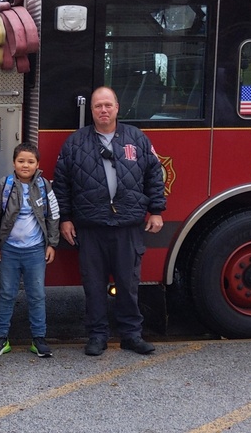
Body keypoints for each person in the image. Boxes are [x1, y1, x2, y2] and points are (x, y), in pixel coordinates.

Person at [52, 86, 166, 356]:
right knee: (93, 286)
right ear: (90, 110)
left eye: (108, 105)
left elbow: (154, 175)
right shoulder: (75, 142)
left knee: (128, 285)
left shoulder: (136, 138)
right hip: (91, 226)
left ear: (117, 108)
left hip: (128, 225)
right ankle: (97, 336)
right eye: (97, 106)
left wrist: (157, 210)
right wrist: (65, 219)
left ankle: (131, 335)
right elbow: (62, 184)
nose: (103, 110)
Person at [0, 143, 60, 358]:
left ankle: (39, 339)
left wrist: (52, 244)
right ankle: (1, 338)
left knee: (37, 295)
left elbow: (53, 215)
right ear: (14, 163)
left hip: (35, 251)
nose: (25, 165)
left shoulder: (45, 186)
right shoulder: (4, 185)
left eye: (30, 161)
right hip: (9, 250)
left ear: (38, 165)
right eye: (21, 161)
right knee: (6, 294)